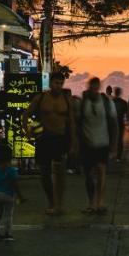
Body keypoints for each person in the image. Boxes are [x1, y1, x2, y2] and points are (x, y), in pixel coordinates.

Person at [26, 71, 77, 215]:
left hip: (60, 139)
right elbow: (26, 114)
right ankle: (51, 202)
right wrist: (28, 132)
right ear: (50, 83)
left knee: (60, 172)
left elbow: (72, 123)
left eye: (61, 83)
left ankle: (59, 204)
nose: (58, 86)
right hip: (44, 138)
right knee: (45, 173)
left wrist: (73, 143)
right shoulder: (41, 98)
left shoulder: (67, 100)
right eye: (56, 83)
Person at [77, 77, 118, 214]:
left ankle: (99, 201)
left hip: (103, 142)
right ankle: (91, 201)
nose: (94, 90)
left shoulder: (107, 102)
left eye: (96, 87)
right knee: (88, 175)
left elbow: (114, 124)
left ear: (99, 87)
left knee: (101, 171)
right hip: (87, 143)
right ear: (89, 88)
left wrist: (114, 145)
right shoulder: (83, 104)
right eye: (92, 88)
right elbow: (78, 123)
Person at [0, 141, 22, 241]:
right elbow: (15, 184)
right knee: (8, 215)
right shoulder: (11, 170)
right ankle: (7, 233)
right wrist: (20, 196)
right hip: (8, 195)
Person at [111, 87, 129, 161]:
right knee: (120, 139)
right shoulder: (124, 102)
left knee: (113, 138)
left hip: (113, 122)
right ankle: (119, 155)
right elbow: (126, 113)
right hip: (120, 121)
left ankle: (113, 154)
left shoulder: (111, 102)